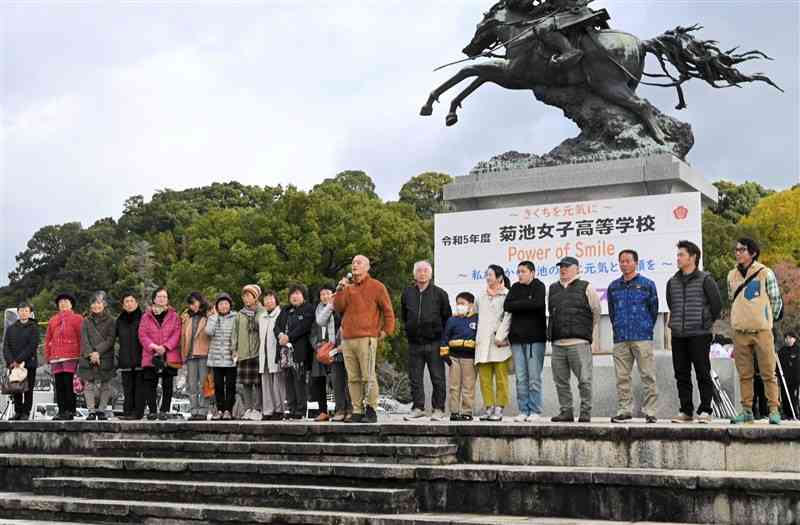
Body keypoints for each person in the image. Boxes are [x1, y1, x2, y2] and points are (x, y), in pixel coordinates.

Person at [334, 255, 396, 424]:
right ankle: (357, 409)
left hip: (367, 336)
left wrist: (386, 331)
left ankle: (371, 408)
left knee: (368, 374)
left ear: (367, 267)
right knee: (353, 377)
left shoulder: (377, 286)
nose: (355, 265)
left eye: (359, 262)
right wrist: (340, 289)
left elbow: (388, 310)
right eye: (353, 262)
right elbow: (338, 308)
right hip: (347, 337)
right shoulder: (347, 287)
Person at [728, 238, 784, 425]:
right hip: (740, 330)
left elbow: (776, 300)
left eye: (742, 250)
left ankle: (774, 409)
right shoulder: (731, 275)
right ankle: (746, 409)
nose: (738, 253)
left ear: (752, 252)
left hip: (761, 330)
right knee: (744, 373)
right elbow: (732, 298)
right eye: (736, 250)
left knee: (769, 372)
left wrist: (767, 319)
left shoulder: (765, 273)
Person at [666, 240, 722, 424]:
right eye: (678, 255)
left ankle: (706, 410)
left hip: (699, 334)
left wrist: (705, 322)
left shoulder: (706, 279)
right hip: (678, 335)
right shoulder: (672, 282)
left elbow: (716, 306)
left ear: (693, 257)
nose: (678, 258)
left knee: (702, 372)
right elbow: (671, 304)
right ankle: (686, 410)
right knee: (681, 373)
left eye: (681, 255)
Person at [607, 250, 660, 424]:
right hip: (621, 337)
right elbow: (612, 312)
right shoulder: (614, 286)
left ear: (636, 263)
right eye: (621, 261)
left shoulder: (647, 284)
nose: (624, 264)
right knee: (622, 377)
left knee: (647, 375)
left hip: (641, 336)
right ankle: (624, 410)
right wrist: (618, 327)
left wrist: (645, 326)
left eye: (628, 261)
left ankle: (650, 411)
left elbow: (653, 310)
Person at [549, 257, 601, 423]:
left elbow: (596, 312)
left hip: (579, 343)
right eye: (561, 267)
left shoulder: (586, 287)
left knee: (584, 380)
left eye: (567, 266)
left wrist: (584, 332)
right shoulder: (553, 288)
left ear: (577, 269)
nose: (563, 269)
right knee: (560, 381)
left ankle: (585, 412)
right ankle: (566, 412)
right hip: (558, 344)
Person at [401, 261, 452, 421]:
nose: (422, 273)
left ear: (430, 274)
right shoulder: (407, 293)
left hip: (435, 342)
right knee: (415, 377)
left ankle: (438, 408)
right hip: (414, 342)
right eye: (419, 271)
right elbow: (404, 316)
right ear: (414, 274)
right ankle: (418, 407)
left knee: (437, 377)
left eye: (425, 271)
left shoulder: (440, 293)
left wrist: (443, 339)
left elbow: (447, 317)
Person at [504, 261, 547, 423]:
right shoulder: (515, 287)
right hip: (516, 339)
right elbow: (507, 306)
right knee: (520, 377)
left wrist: (518, 305)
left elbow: (537, 303)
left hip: (535, 339)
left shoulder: (539, 286)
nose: (520, 274)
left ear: (532, 272)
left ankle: (535, 410)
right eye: (518, 272)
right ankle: (523, 409)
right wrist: (525, 304)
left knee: (534, 377)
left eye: (523, 271)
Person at [138, 287, 182, 420]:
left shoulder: (174, 316)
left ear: (168, 299)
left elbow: (177, 333)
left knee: (167, 384)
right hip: (150, 354)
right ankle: (152, 410)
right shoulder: (146, 316)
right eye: (159, 296)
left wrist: (166, 346)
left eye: (164, 296)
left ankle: (164, 410)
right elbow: (142, 334)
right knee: (150, 383)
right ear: (154, 299)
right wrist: (153, 347)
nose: (161, 299)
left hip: (169, 354)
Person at [475, 265, 512, 422]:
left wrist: (501, 336)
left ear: (499, 277)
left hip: (500, 343)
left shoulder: (507, 295)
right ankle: (488, 407)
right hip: (483, 343)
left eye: (490, 274)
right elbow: (476, 316)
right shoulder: (481, 296)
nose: (487, 277)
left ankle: (499, 408)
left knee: (501, 379)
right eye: (486, 274)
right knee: (484, 379)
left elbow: (509, 317)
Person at [275, 284, 315, 420]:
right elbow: (277, 325)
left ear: (303, 295)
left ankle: (301, 410)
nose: (294, 296)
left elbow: (304, 327)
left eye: (298, 293)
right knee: (288, 379)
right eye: (292, 294)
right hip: (285, 353)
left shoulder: (308, 309)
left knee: (299, 380)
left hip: (300, 351)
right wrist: (280, 335)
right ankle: (291, 408)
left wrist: (289, 337)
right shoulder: (285, 310)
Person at [78, 291, 116, 420]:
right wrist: (91, 354)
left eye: (99, 302)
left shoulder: (111, 321)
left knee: (105, 384)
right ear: (90, 306)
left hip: (105, 355)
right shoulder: (85, 321)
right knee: (89, 384)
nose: (96, 305)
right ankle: (91, 411)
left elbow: (111, 339)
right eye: (94, 303)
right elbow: (84, 339)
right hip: (88, 356)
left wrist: (98, 352)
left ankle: (101, 410)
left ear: (104, 304)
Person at [316, 284, 351, 422]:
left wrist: (346, 343)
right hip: (334, 349)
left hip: (349, 346)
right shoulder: (332, 307)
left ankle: (351, 409)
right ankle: (340, 409)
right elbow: (320, 321)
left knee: (350, 380)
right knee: (337, 380)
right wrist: (331, 304)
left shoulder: (350, 305)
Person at [440, 292, 478, 421]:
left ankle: (467, 411)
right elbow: (445, 337)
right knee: (454, 386)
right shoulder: (452, 320)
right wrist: (445, 355)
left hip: (470, 358)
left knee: (468, 386)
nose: (459, 306)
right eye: (458, 303)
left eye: (463, 304)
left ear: (471, 305)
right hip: (454, 358)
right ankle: (454, 411)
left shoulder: (476, 319)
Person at [45, 292, 82, 421]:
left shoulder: (78, 318)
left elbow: (81, 337)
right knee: (59, 386)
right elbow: (48, 339)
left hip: (71, 356)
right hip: (56, 357)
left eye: (66, 302)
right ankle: (61, 411)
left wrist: (81, 355)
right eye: (61, 302)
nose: (63, 304)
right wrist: (48, 356)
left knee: (69, 384)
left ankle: (70, 411)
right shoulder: (53, 320)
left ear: (71, 304)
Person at [3, 302, 39, 420]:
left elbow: (32, 346)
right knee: (16, 388)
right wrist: (11, 361)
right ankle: (18, 411)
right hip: (14, 364)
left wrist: (19, 360)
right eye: (21, 310)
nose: (23, 312)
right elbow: (6, 346)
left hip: (29, 363)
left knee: (28, 389)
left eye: (26, 310)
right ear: (18, 312)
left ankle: (26, 412)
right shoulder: (11, 328)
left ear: (30, 313)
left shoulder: (34, 327)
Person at [234, 285, 265, 421]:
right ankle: (248, 409)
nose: (246, 298)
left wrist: (256, 310)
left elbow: (260, 323)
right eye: (244, 296)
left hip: (258, 352)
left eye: (249, 295)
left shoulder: (262, 311)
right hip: (243, 352)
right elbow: (234, 333)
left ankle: (258, 409)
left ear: (256, 297)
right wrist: (234, 350)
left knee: (258, 383)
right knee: (246, 384)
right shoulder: (239, 314)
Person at [205, 293, 238, 420]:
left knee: (230, 385)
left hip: (230, 358)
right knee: (218, 386)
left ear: (230, 305)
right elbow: (208, 332)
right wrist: (214, 316)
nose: (224, 306)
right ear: (217, 306)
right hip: (216, 359)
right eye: (221, 304)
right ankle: (219, 410)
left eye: (226, 304)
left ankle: (228, 411)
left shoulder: (236, 317)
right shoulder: (213, 318)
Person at [181, 292, 211, 421]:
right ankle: (194, 410)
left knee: (204, 383)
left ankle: (204, 410)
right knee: (192, 384)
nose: (192, 306)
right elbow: (183, 336)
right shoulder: (187, 317)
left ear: (200, 301)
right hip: (190, 354)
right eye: (190, 303)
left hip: (204, 353)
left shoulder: (209, 314)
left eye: (194, 302)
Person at [258, 290, 288, 420]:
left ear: (276, 300)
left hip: (276, 353)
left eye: (271, 298)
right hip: (263, 354)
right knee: (266, 383)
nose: (268, 301)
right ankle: (268, 410)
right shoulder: (261, 317)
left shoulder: (281, 314)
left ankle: (279, 409)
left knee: (278, 383)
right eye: (266, 299)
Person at [115, 292, 144, 420]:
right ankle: (127, 412)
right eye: (126, 301)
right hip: (125, 359)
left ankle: (137, 413)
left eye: (132, 301)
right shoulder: (119, 320)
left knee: (139, 389)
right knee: (127, 388)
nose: (129, 303)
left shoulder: (144, 318)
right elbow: (112, 337)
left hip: (141, 359)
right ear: (123, 305)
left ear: (136, 303)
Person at [778, 332, 799, 420]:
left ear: (794, 339)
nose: (788, 340)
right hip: (784, 378)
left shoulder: (798, 350)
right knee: (784, 396)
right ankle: (786, 413)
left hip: (795, 378)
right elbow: (777, 364)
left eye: (790, 338)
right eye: (787, 338)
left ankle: (795, 413)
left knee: (794, 396)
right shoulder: (782, 351)